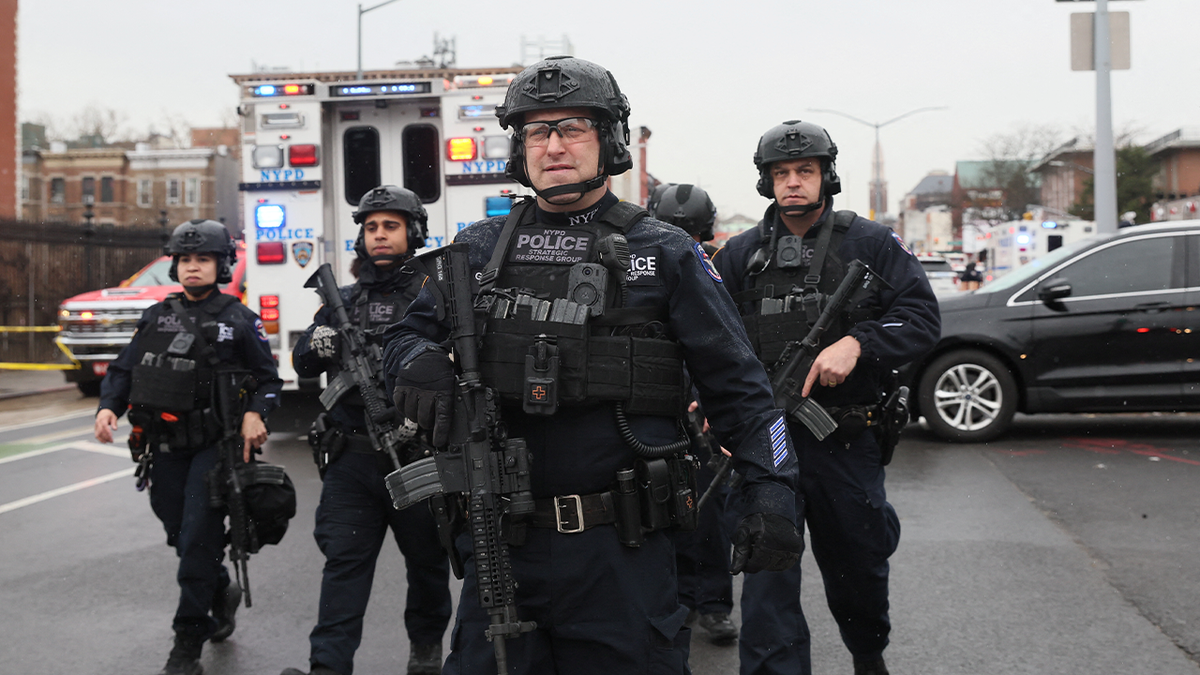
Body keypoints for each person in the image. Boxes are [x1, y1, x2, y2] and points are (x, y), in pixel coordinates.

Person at [382, 56, 802, 675]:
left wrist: (773, 490)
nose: (552, 145)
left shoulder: (665, 252)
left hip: (622, 555)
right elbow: (402, 338)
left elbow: (741, 390)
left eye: (571, 127)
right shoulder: (475, 249)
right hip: (503, 548)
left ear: (608, 139)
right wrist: (417, 360)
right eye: (535, 131)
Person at [712, 120, 940, 675]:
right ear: (767, 181)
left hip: (844, 438)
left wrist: (858, 343)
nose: (793, 182)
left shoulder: (871, 243)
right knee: (766, 578)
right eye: (782, 173)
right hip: (766, 444)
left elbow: (921, 320)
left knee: (858, 566)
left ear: (825, 175)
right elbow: (707, 342)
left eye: (804, 171)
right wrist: (712, 413)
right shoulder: (738, 256)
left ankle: (869, 655)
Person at [93, 219, 282, 675]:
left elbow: (269, 380)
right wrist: (108, 407)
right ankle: (220, 589)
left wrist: (257, 411)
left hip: (214, 448)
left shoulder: (239, 319)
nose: (193, 267)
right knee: (180, 533)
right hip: (164, 448)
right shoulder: (157, 315)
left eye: (203, 259)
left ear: (221, 265)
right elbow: (124, 369)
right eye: (185, 260)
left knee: (197, 540)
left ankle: (186, 647)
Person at [282, 186, 453, 675]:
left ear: (413, 232)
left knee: (427, 563)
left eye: (391, 226)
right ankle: (327, 667)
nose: (379, 235)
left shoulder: (432, 297)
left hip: (417, 454)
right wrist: (319, 343)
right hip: (352, 460)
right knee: (344, 566)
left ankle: (425, 651)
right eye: (371, 226)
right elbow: (302, 365)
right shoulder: (344, 301)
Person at [654, 183, 739, 645]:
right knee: (665, 513)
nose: (679, 238)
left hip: (701, 414)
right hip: (656, 412)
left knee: (709, 518)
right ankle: (682, 598)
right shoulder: (636, 267)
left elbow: (726, 346)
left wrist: (710, 401)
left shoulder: (715, 269)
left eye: (687, 230)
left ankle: (714, 605)